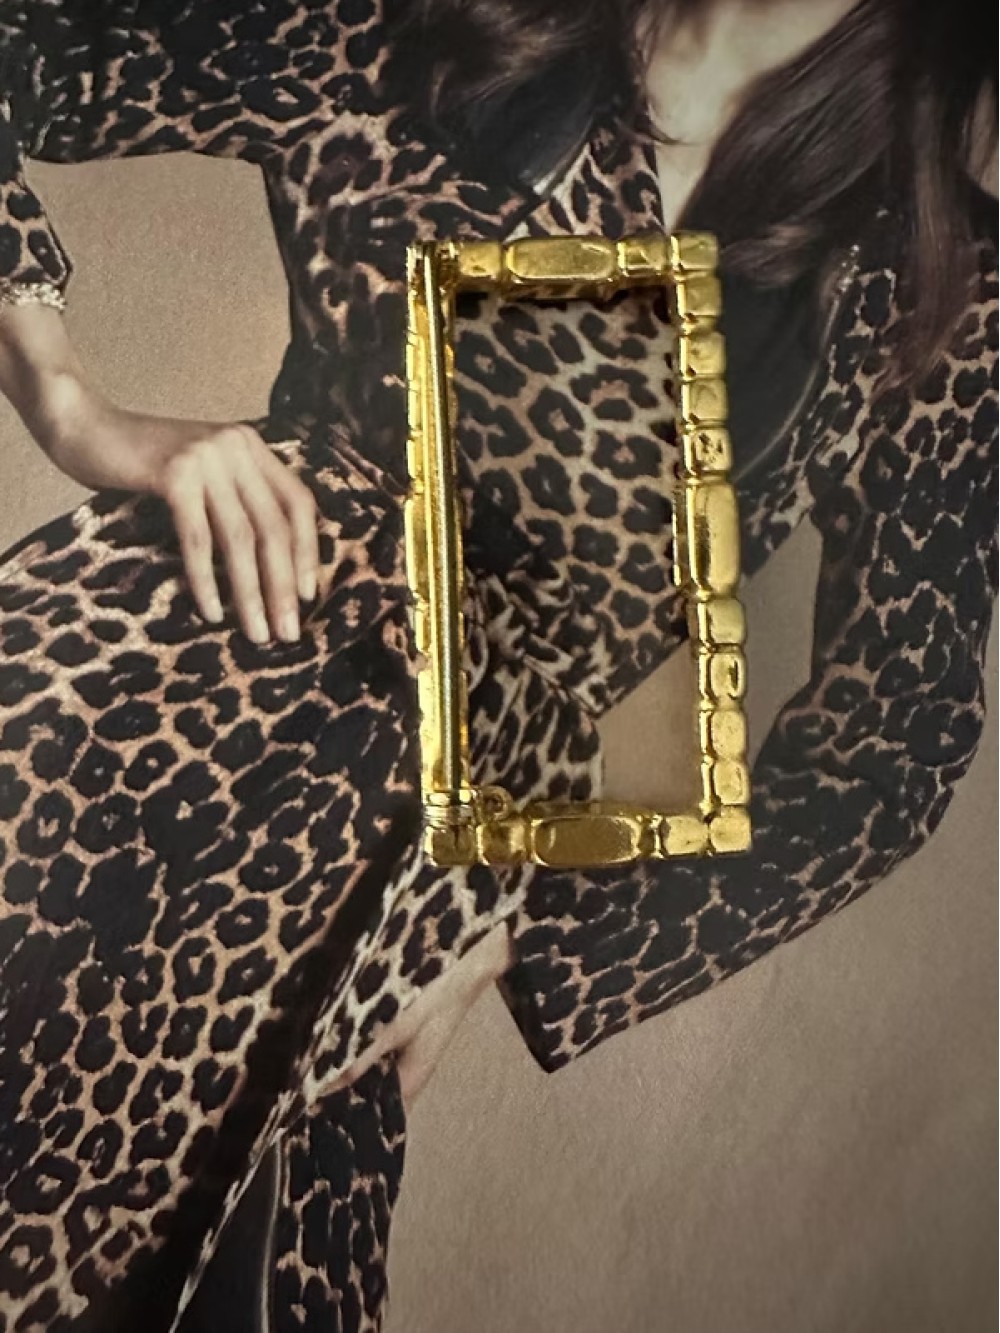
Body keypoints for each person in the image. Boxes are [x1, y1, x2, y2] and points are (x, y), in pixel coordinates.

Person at [0, 0, 995, 1329]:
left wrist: (542, 934)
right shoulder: (450, 24)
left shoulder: (932, 272)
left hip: (383, 916)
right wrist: (75, 406)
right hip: (111, 746)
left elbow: (896, 741)